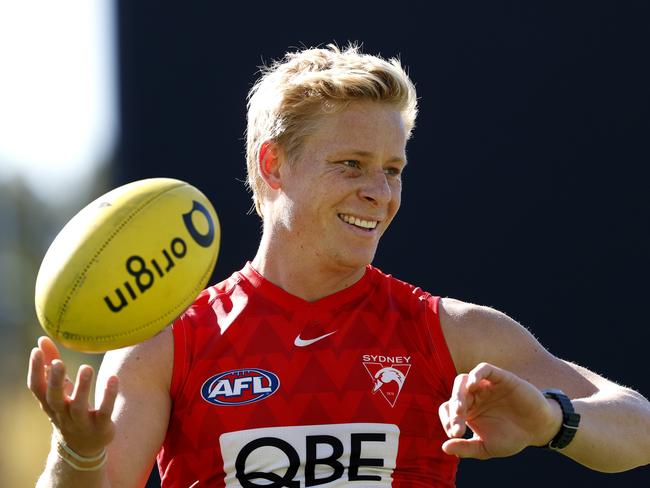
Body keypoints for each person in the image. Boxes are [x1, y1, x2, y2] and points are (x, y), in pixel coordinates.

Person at [28, 43, 650, 487]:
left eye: (393, 170)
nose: (379, 193)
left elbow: (638, 427)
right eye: (350, 164)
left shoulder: (448, 331)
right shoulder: (170, 342)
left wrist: (551, 418)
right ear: (274, 166)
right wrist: (77, 455)